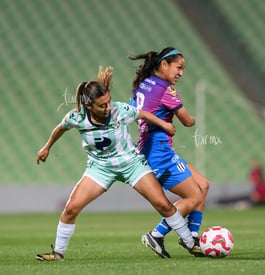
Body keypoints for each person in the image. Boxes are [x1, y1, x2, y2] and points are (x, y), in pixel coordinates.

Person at [35, 67, 196, 261]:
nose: (108, 107)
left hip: (131, 164)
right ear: (89, 106)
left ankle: (191, 244)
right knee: (71, 209)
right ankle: (58, 253)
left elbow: (143, 114)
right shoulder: (77, 118)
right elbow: (60, 128)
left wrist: (164, 125)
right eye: (102, 105)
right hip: (100, 168)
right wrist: (46, 147)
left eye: (109, 102)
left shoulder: (120, 110)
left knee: (163, 204)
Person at [128, 47, 209, 258]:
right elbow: (187, 121)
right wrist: (194, 120)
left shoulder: (143, 84)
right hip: (160, 154)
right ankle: (157, 234)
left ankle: (192, 236)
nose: (181, 73)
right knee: (193, 196)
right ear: (164, 64)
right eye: (178, 67)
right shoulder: (167, 89)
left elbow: (135, 114)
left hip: (154, 150)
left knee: (203, 185)